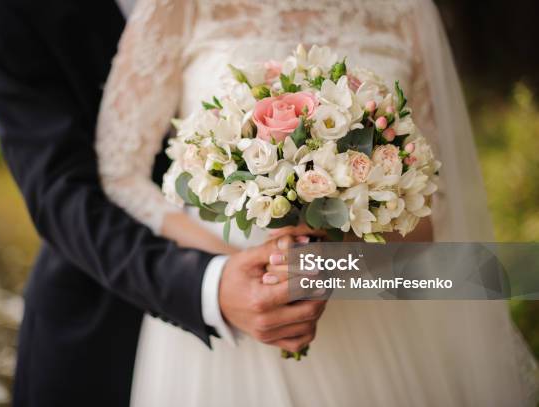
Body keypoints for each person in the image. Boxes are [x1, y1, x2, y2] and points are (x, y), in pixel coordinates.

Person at [95, 0, 538, 406]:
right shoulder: (181, 6)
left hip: (376, 324)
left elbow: (434, 199)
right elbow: (120, 173)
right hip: (225, 314)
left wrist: (337, 265)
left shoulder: (403, 11)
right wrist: (239, 273)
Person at [0, 0, 326, 406]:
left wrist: (338, 272)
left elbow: (410, 252)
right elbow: (62, 196)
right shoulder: (13, 13)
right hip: (106, 319)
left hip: (346, 312)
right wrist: (212, 285)